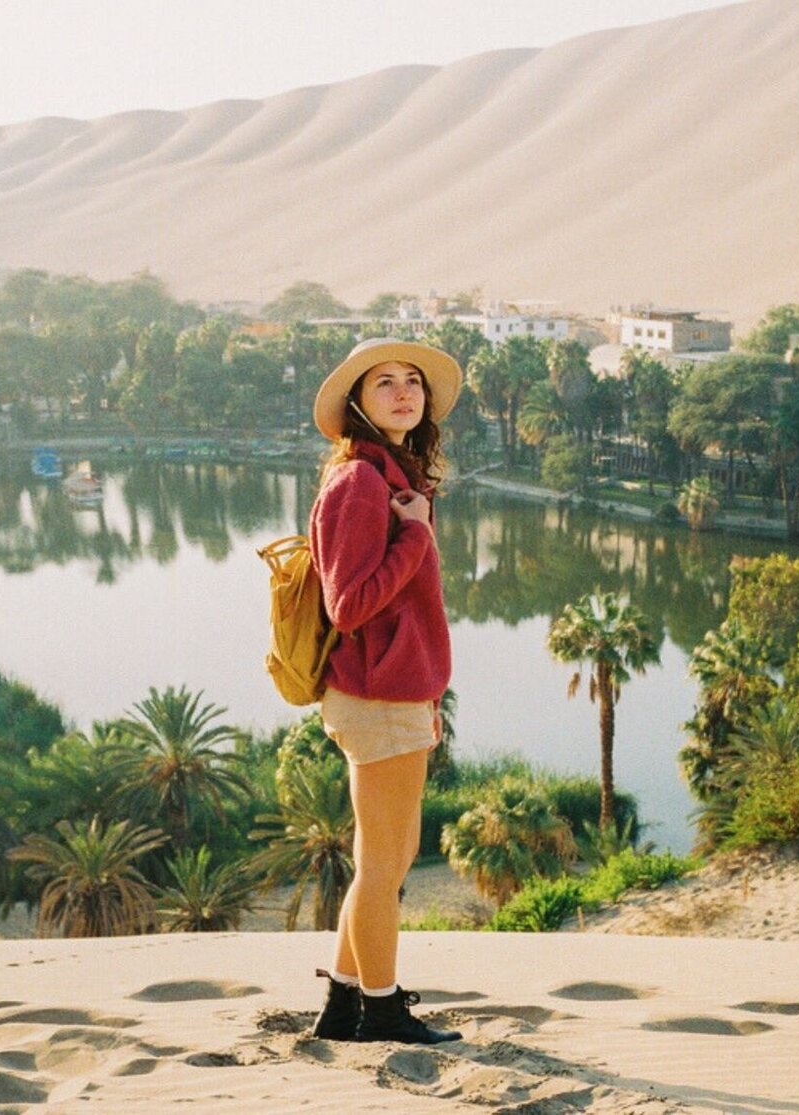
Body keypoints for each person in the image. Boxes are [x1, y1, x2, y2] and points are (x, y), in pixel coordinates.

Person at [304, 337, 463, 1046]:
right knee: (382, 867)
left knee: (388, 859)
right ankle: (384, 1009)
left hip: (396, 694)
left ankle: (343, 1006)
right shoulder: (359, 484)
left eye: (413, 383)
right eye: (384, 384)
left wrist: (413, 526)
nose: (404, 393)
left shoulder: (390, 476)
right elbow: (349, 604)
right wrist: (415, 539)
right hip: (376, 699)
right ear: (358, 404)